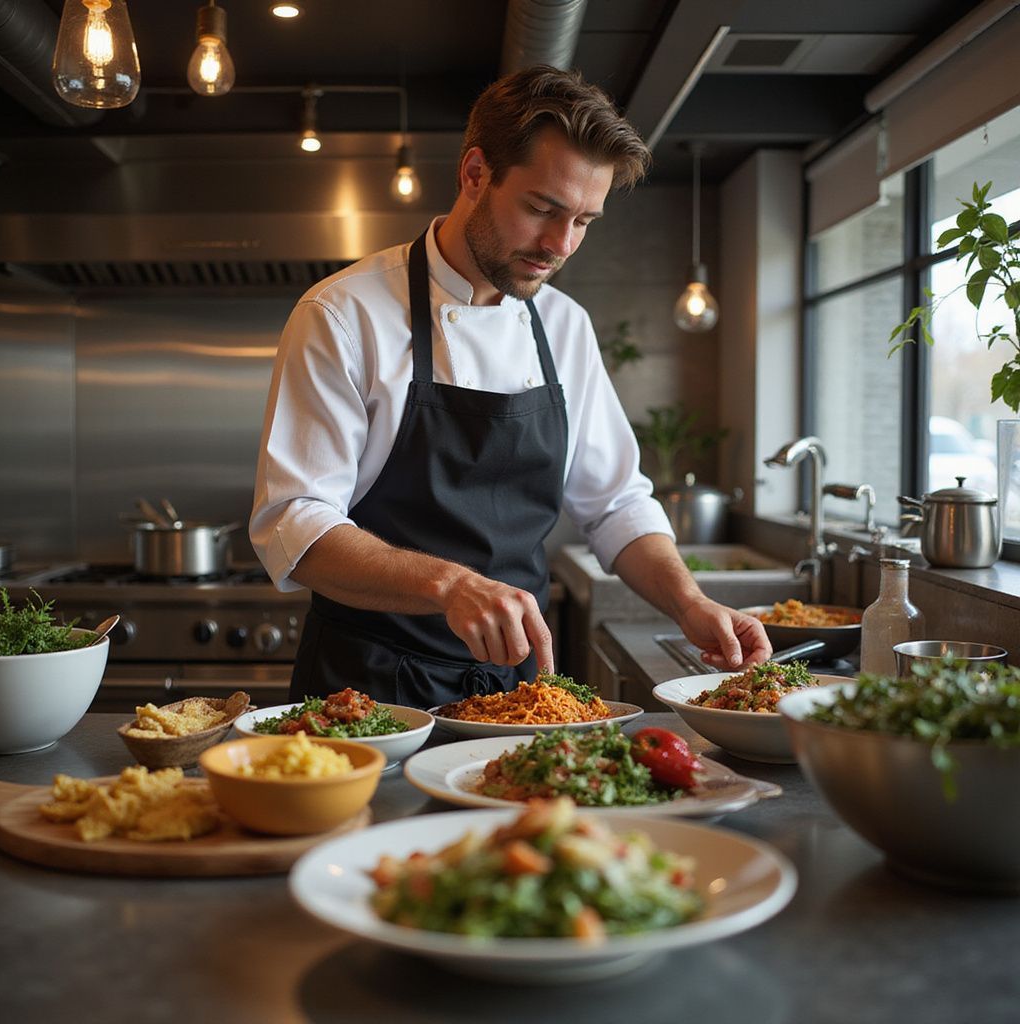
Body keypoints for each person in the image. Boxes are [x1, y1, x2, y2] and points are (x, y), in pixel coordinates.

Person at [250, 65, 771, 708]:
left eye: (584, 221)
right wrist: (449, 586)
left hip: (517, 696)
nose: (560, 245)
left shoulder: (564, 325)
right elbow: (293, 525)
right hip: (367, 693)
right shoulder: (343, 315)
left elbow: (615, 504)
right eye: (542, 209)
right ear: (475, 173)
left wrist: (688, 601)